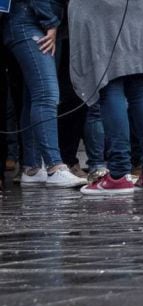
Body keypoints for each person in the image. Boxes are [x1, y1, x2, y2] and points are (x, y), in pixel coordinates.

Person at [68, 0, 143, 195]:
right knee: (140, 86)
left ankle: (119, 174)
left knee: (110, 84)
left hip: (100, 13)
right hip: (138, 10)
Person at [2, 0, 86, 188]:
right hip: (33, 18)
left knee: (34, 95)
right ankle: (54, 167)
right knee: (46, 94)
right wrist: (49, 21)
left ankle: (31, 167)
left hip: (30, 16)